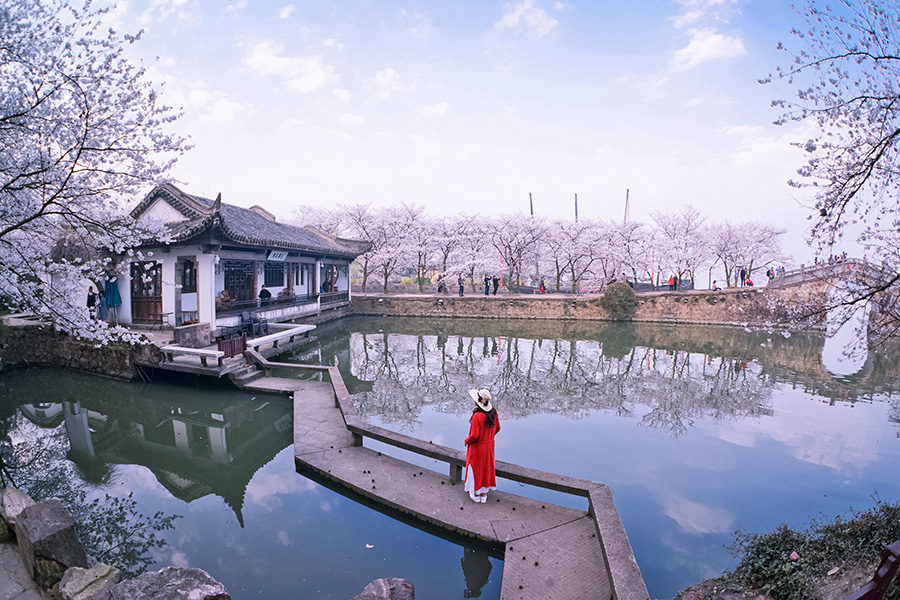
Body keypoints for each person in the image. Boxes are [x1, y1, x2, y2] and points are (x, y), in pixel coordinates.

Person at [464, 388, 500, 504]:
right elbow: (498, 428)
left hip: (477, 447)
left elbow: (474, 435)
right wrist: (488, 437)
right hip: (489, 446)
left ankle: (475, 493)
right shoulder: (494, 413)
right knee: (486, 468)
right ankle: (484, 494)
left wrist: (466, 441)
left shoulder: (477, 416)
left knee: (475, 469)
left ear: (478, 401)